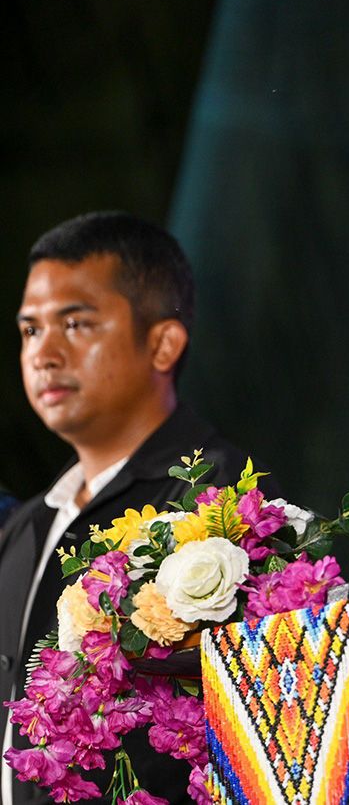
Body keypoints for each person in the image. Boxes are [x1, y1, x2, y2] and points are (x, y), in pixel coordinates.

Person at [1, 211, 263, 804]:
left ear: (162, 343)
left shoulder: (217, 501)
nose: (44, 353)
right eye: (30, 330)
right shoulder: (28, 524)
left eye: (75, 323)